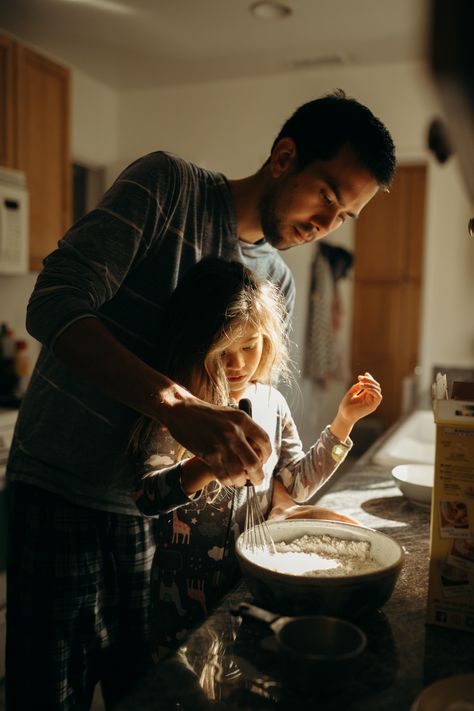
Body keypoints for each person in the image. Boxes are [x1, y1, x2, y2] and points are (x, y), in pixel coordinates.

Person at [5, 90, 395, 709]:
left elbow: (251, 427)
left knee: (152, 694)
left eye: (344, 217)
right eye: (326, 195)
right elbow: (54, 301)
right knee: (50, 694)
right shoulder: (168, 188)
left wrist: (290, 507)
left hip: (161, 531)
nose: (326, 224)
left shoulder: (278, 282)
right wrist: (177, 407)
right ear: (284, 157)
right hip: (64, 490)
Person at [129, 257, 383, 658]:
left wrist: (343, 423)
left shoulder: (271, 402)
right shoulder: (180, 412)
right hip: (179, 597)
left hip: (252, 585)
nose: (238, 364)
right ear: (194, 345)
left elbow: (296, 484)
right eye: (222, 350)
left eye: (250, 346)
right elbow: (146, 497)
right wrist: (208, 463)